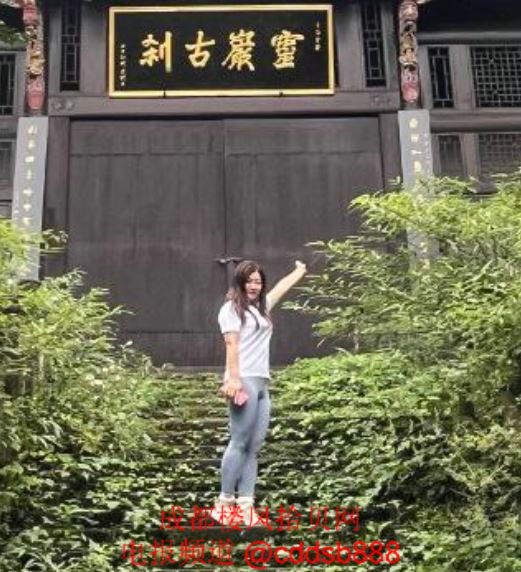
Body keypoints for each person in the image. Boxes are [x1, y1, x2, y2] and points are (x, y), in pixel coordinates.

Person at [212, 259, 307, 528]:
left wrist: (299, 271)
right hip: (243, 380)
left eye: (258, 281)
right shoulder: (231, 309)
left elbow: (280, 289)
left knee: (254, 447)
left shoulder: (261, 309)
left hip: (262, 382)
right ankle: (223, 504)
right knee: (239, 442)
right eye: (249, 281)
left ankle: (246, 506)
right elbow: (231, 344)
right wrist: (233, 380)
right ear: (239, 282)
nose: (254, 286)